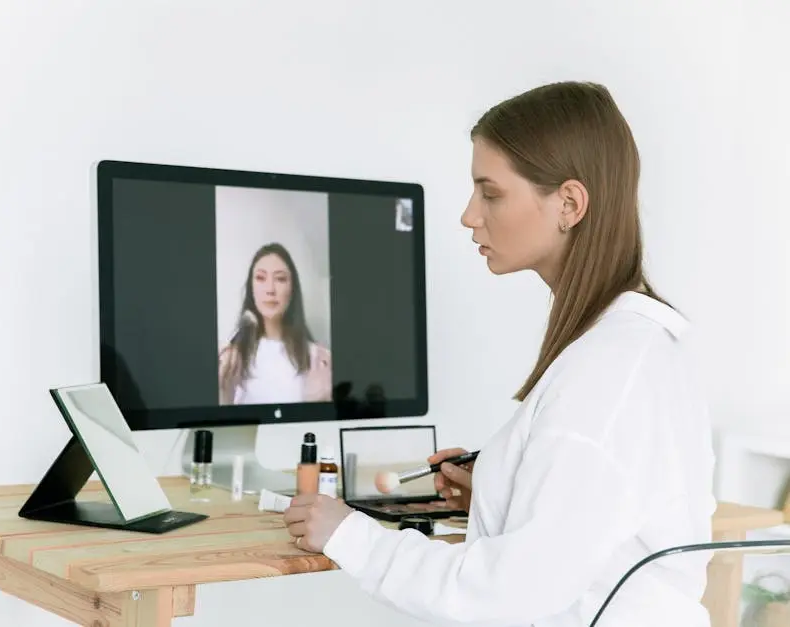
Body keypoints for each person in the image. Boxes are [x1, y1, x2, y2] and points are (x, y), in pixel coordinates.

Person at [283, 81, 716, 626]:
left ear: (569, 203)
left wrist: (349, 534)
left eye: (490, 193)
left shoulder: (608, 371)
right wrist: (498, 490)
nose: (469, 215)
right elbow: (599, 515)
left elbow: (507, 593)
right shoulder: (636, 344)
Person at [218, 242, 332, 405]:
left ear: (292, 290)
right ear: (251, 288)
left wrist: (320, 403)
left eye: (280, 279)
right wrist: (223, 395)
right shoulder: (232, 358)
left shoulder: (316, 358)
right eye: (260, 278)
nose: (270, 289)